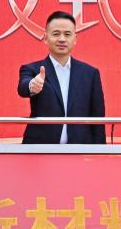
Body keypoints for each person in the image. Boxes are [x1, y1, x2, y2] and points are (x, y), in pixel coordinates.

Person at [17, 11, 106, 145]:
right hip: (40, 148)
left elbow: (98, 118)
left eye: (67, 34)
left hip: (80, 149)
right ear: (45, 38)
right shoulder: (32, 69)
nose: (62, 39)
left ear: (75, 39)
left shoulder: (90, 73)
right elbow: (23, 87)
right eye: (56, 34)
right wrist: (32, 85)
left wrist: (100, 151)